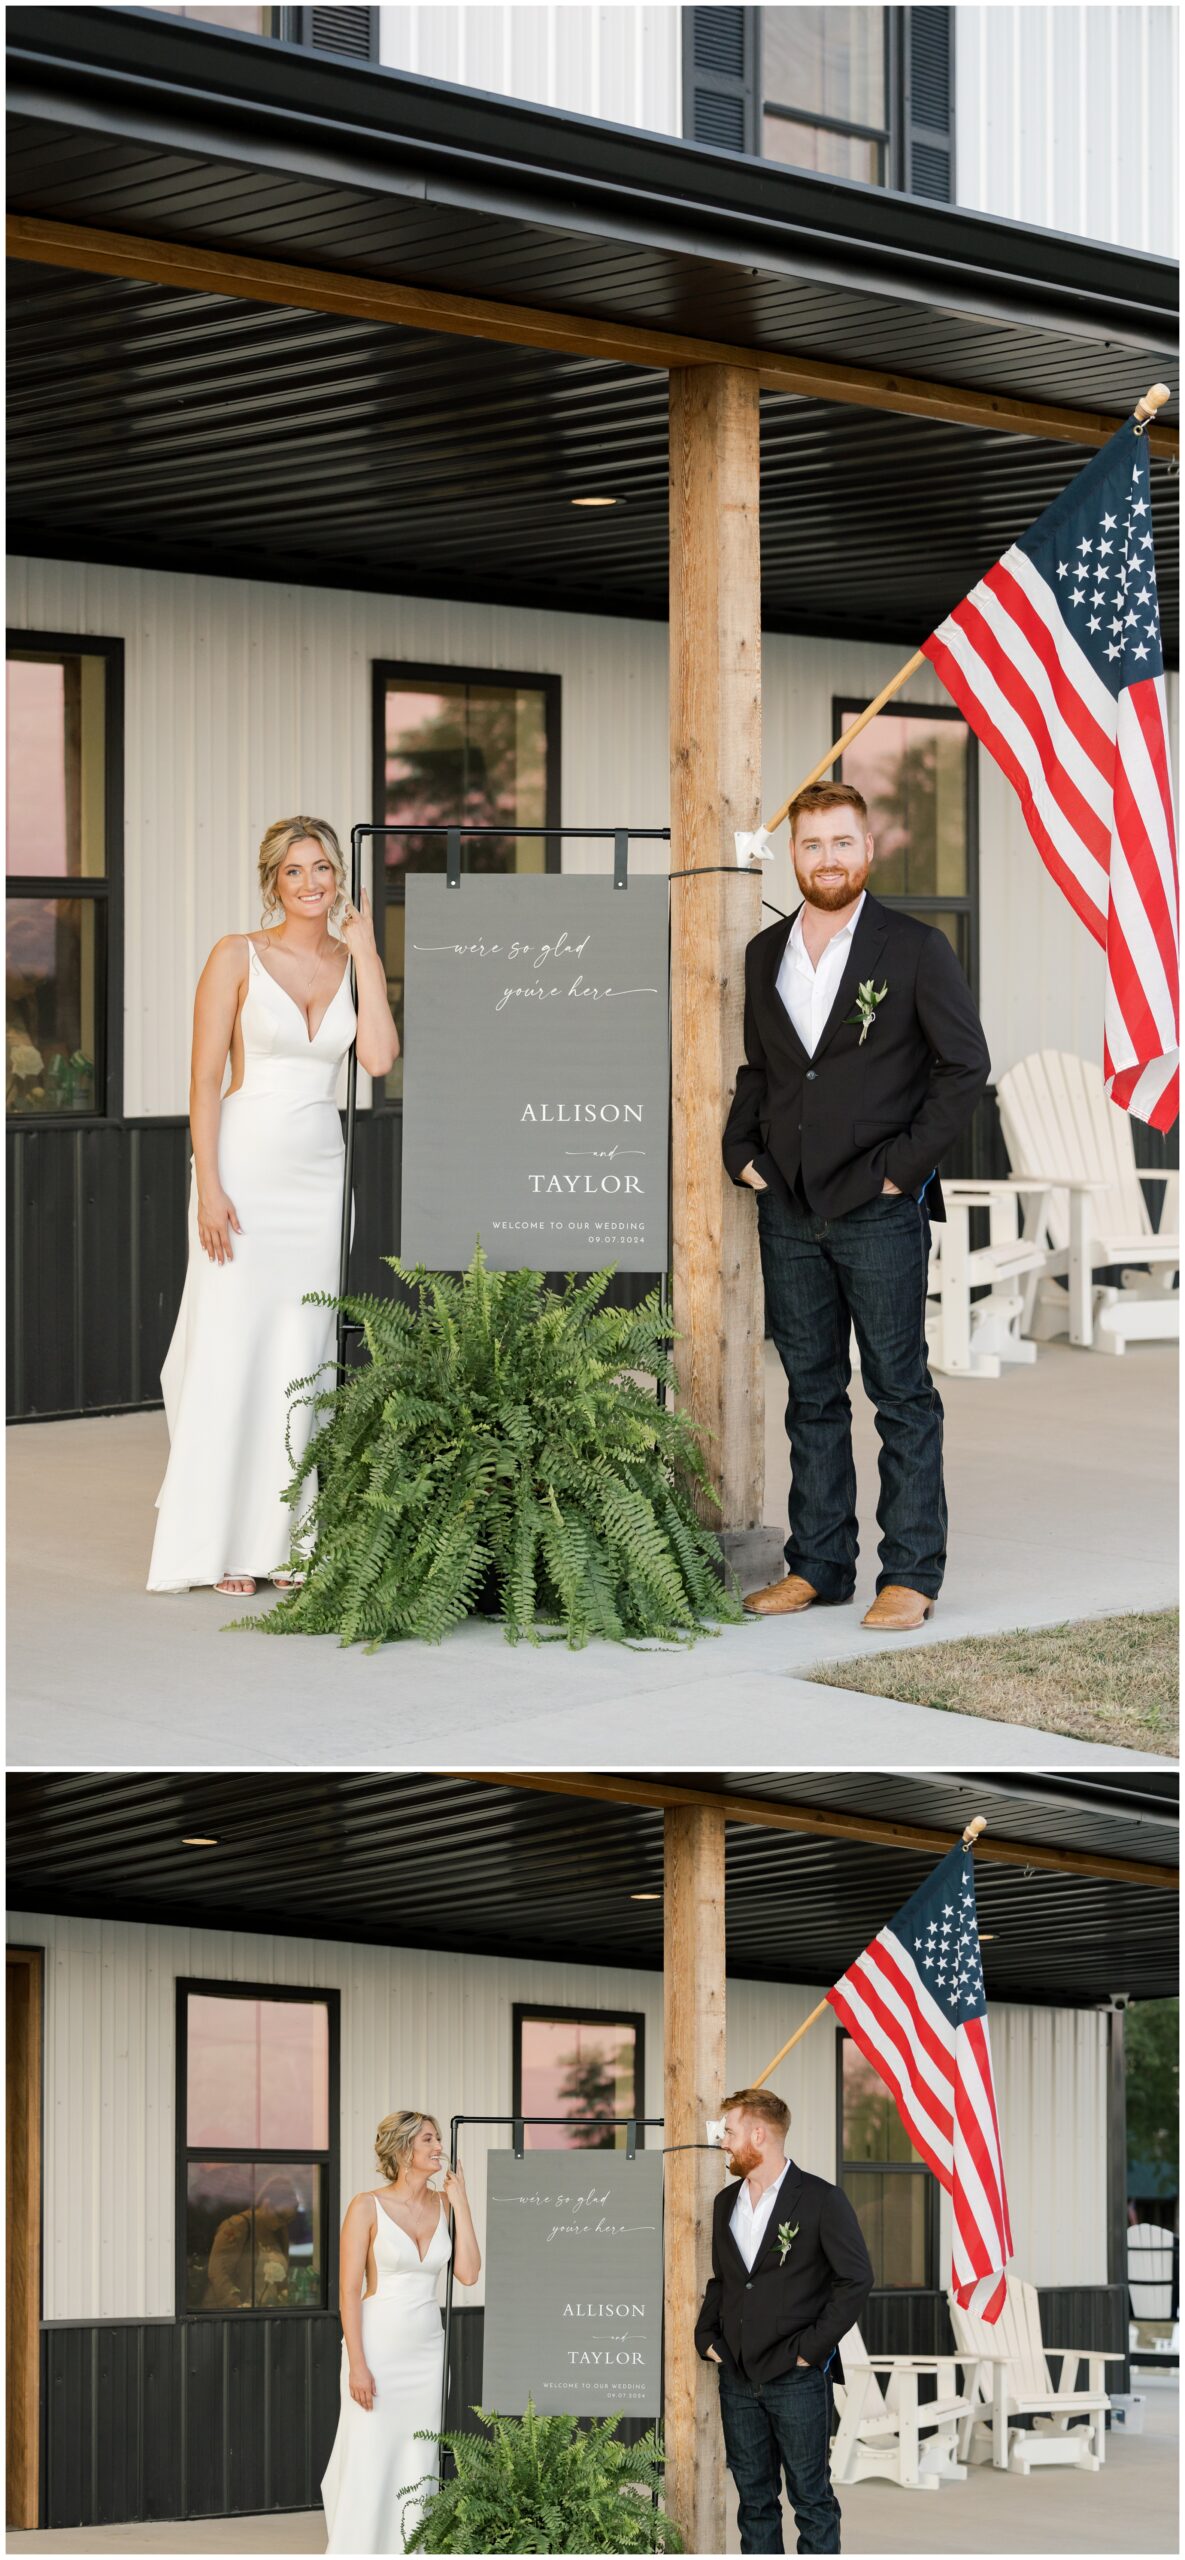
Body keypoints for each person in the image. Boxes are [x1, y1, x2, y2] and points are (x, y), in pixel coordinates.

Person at [723, 780, 991, 1632]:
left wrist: (898, 1172)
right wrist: (742, 1156)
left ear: (866, 851)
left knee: (899, 1391)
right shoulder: (763, 953)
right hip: (788, 1208)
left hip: (877, 1209)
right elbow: (762, 1072)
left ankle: (908, 1572)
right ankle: (818, 1566)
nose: (827, 858)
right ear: (792, 853)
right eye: (811, 845)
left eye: (842, 843)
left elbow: (962, 1068)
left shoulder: (914, 949)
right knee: (810, 1392)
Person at [147, 816, 399, 1595]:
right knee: (233, 1347)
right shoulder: (235, 955)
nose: (312, 882)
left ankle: (286, 1541)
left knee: (301, 1354)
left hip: (320, 1177)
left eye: (322, 868)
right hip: (244, 1171)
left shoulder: (350, 958)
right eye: (295, 872)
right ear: (272, 882)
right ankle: (219, 1543)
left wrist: (367, 955)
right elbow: (201, 1082)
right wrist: (209, 1186)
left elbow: (380, 1057)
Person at [695, 2087, 873, 2556]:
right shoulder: (724, 2203)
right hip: (737, 2378)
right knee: (754, 2502)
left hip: (796, 2379)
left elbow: (855, 2280)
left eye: (729, 2132)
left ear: (759, 2134)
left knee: (811, 2500)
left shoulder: (820, 2199)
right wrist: (706, 2337)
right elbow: (725, 2281)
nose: (724, 2142)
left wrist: (809, 2351)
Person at [322, 2110, 481, 2557]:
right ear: (403, 2150)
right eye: (428, 2140)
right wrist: (357, 2364)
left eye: (437, 2139)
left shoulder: (445, 2205)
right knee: (371, 2452)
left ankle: (412, 2548)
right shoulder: (365, 2205)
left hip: (427, 2349)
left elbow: (468, 2273)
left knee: (418, 2457)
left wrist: (463, 2202)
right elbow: (349, 2292)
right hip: (377, 2346)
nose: (438, 2147)